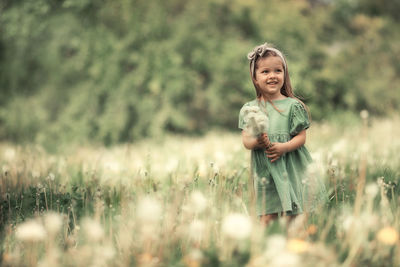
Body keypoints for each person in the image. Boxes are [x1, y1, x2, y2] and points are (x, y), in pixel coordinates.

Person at [238, 43, 326, 226]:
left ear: (284, 75)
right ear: (254, 78)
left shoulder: (293, 106)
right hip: (266, 170)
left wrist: (284, 147)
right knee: (266, 215)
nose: (272, 76)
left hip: (290, 166)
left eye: (278, 70)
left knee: (292, 214)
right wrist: (257, 143)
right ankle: (264, 247)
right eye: (265, 72)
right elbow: (246, 140)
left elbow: (301, 137)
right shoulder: (250, 109)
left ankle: (292, 243)